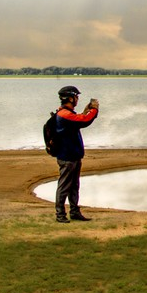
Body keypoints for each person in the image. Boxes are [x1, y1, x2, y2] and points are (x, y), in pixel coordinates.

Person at [52, 85, 99, 223]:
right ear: (71, 98)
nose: (77, 99)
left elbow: (79, 119)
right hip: (67, 157)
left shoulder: (65, 113)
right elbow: (84, 121)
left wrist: (87, 111)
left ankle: (74, 212)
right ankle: (60, 214)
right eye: (76, 96)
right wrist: (94, 109)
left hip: (72, 156)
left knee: (73, 186)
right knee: (65, 185)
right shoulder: (65, 115)